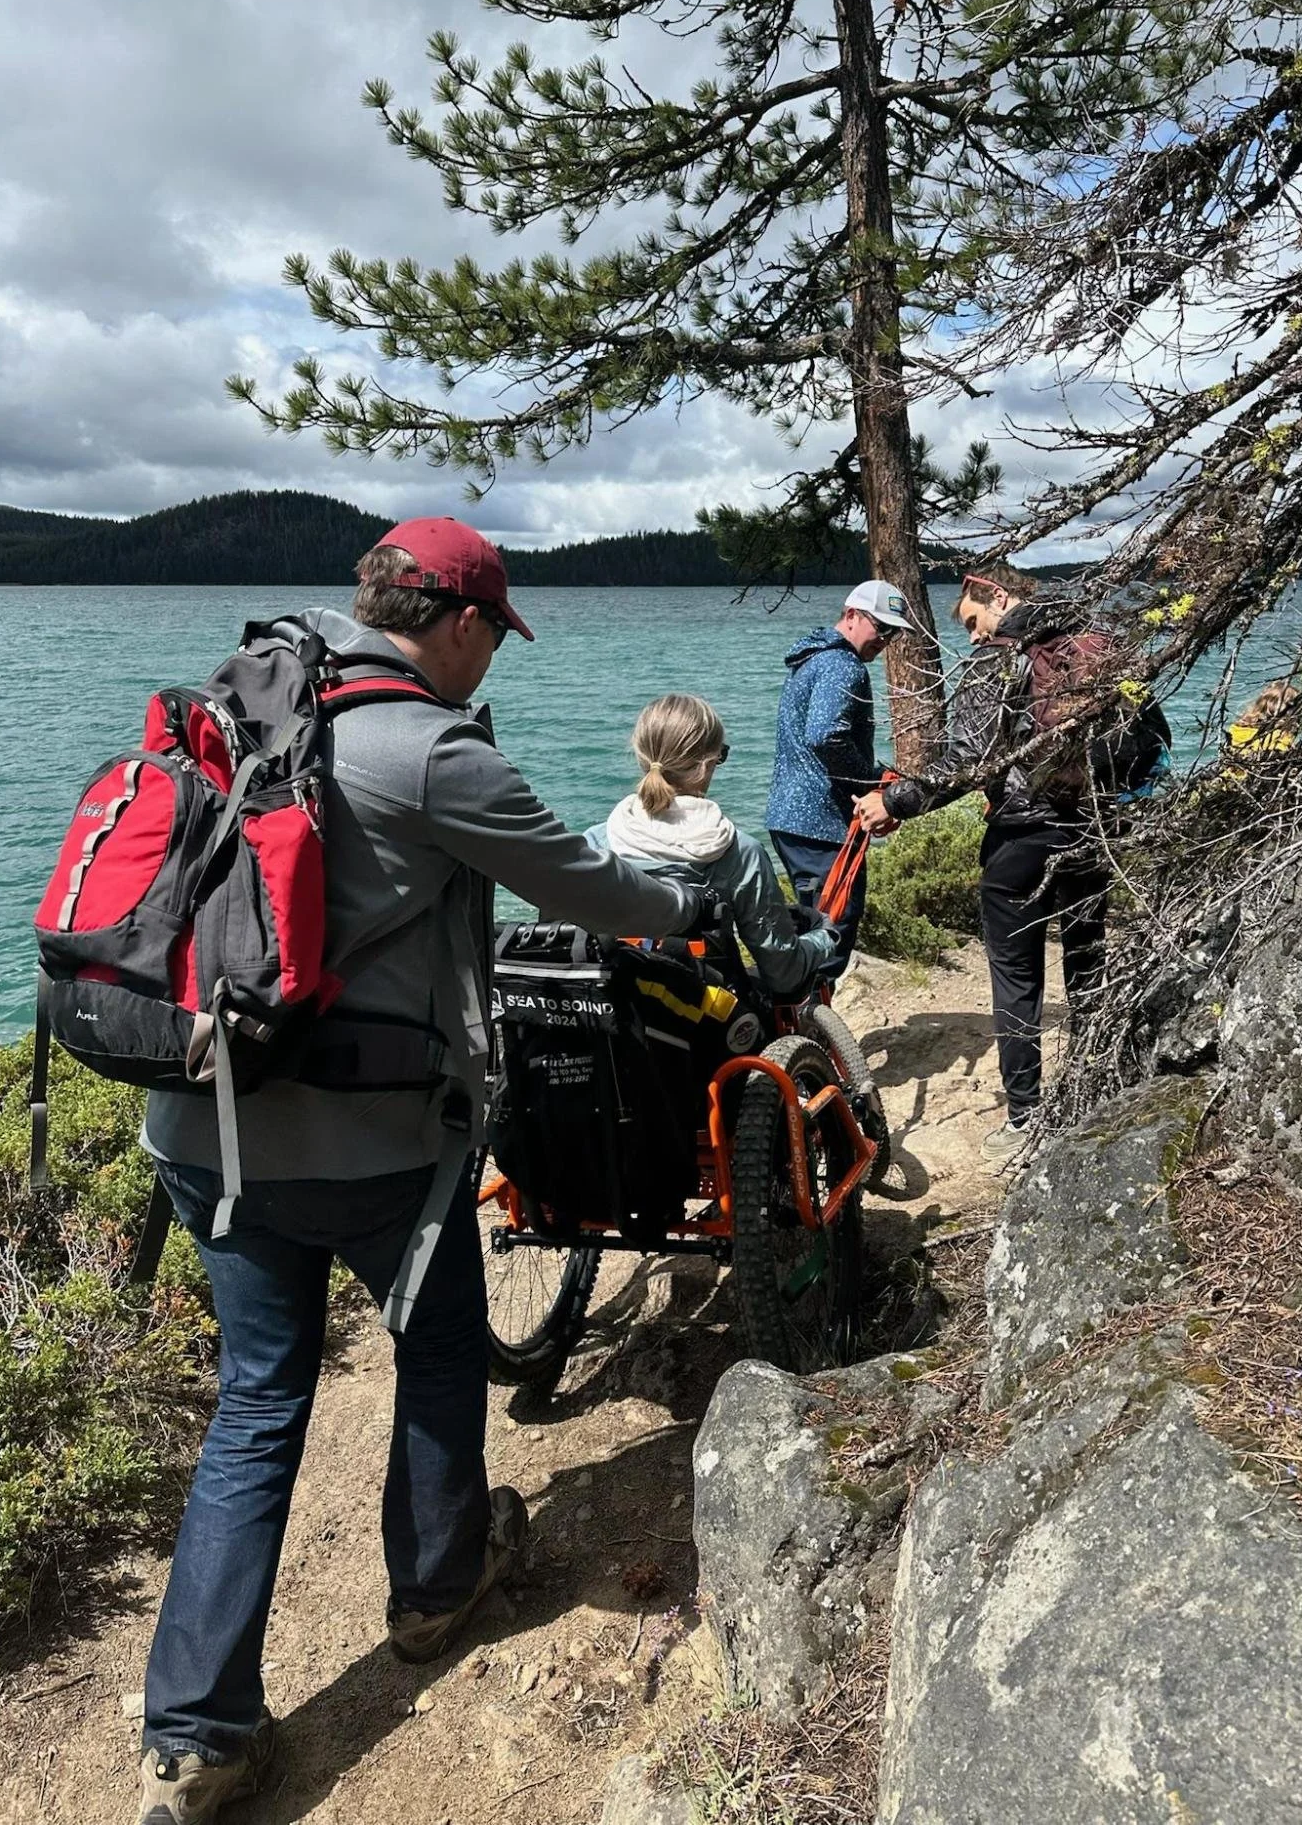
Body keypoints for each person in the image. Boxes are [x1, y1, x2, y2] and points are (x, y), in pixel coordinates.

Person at [133, 518, 711, 1825]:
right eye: (495, 634)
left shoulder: (244, 698)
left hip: (201, 1123)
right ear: (458, 621)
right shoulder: (434, 749)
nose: (491, 658)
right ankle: (437, 1589)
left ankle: (194, 1734)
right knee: (439, 1344)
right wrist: (693, 903)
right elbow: (593, 887)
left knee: (256, 1401)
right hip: (367, 1146)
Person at [854, 567, 1109, 1168]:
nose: (972, 635)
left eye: (973, 620)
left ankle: (1025, 1118)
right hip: (1093, 828)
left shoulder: (999, 660)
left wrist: (895, 802)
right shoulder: (1095, 643)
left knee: (1016, 978)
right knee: (1087, 959)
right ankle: (1099, 1091)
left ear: (996, 593)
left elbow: (968, 758)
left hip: (1021, 837)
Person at [587, 693, 838, 995]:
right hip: (709, 1010)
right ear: (707, 765)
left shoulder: (596, 842)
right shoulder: (740, 853)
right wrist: (824, 938)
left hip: (618, 1001)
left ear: (641, 755)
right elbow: (782, 972)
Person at [765, 580, 914, 975]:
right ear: (851, 615)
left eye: (894, 632)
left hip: (791, 817)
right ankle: (813, 1013)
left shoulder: (814, 657)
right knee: (831, 931)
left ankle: (805, 1008)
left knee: (812, 928)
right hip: (820, 823)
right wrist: (872, 781)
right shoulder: (843, 665)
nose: (886, 639)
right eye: (881, 627)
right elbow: (825, 736)